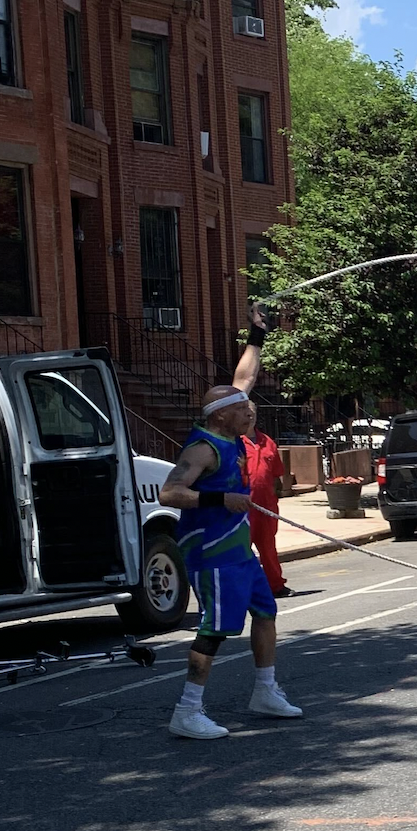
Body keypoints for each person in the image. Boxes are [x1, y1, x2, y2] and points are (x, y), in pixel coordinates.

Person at [160, 305, 303, 739]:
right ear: (223, 415)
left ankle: (265, 690)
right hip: (212, 554)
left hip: (238, 551)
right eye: (243, 409)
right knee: (215, 630)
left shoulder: (231, 431)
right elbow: (169, 492)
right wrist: (222, 497)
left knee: (265, 611)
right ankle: (187, 711)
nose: (250, 410)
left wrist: (257, 336)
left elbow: (243, 380)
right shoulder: (203, 448)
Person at [242, 402, 291, 597]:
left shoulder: (267, 442)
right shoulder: (233, 443)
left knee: (269, 548)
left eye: (252, 412)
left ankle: (275, 585)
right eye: (245, 412)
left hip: (266, 506)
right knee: (242, 550)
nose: (249, 416)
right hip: (243, 507)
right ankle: (244, 589)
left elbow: (277, 475)